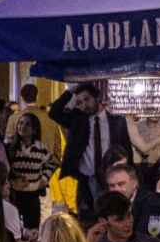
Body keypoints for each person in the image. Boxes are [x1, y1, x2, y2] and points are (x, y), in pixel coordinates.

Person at [51, 82, 130, 220]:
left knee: (113, 216)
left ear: (97, 98)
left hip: (111, 178)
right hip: (87, 179)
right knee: (88, 220)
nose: (84, 105)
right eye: (80, 102)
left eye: (87, 99)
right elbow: (54, 112)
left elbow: (126, 149)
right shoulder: (78, 120)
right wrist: (70, 91)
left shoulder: (117, 121)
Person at [7, 111, 58, 231]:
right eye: (20, 123)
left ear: (34, 129)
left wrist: (44, 178)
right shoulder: (10, 147)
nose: (22, 126)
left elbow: (53, 163)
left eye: (27, 124)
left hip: (32, 193)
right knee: (14, 228)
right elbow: (5, 167)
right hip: (14, 193)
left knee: (32, 229)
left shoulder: (40, 148)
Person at [103, 161, 154, 233]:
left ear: (135, 183)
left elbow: (142, 236)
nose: (116, 189)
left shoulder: (150, 203)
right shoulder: (106, 202)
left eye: (121, 184)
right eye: (112, 186)